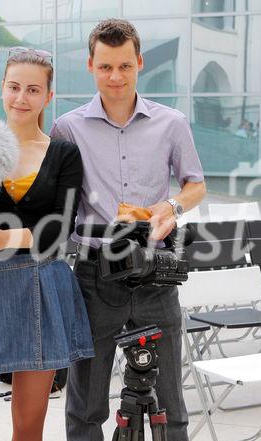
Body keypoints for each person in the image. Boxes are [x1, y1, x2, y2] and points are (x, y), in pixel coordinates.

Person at [49, 19, 206, 441]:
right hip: (93, 274)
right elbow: (53, 199)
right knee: (86, 407)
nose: (115, 77)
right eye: (105, 67)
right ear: (90, 66)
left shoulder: (171, 123)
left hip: (156, 270)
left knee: (171, 402)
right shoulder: (67, 127)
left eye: (124, 65)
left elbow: (196, 185)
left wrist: (170, 206)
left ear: (139, 63)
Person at [0, 47, 94, 441]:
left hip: (41, 289)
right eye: (13, 87)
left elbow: (62, 229)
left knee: (28, 430)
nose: (21, 98)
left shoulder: (64, 154)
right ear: (2, 89)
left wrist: (7, 236)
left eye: (32, 90)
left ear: (48, 97)